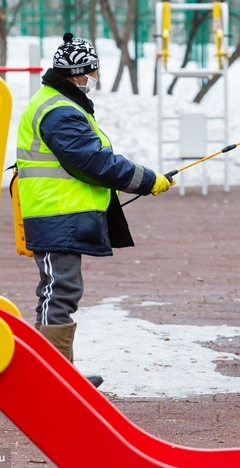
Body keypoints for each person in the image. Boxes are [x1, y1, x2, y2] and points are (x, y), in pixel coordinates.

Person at [15, 33, 173, 387]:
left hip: (60, 213)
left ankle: (55, 371)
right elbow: (93, 161)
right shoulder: (60, 111)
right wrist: (146, 180)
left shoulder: (59, 103)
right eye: (92, 73)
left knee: (59, 290)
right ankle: (52, 378)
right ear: (80, 73)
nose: (94, 80)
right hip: (58, 214)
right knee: (60, 290)